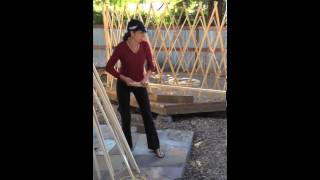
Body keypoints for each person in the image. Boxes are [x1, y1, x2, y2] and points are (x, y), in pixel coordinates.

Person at [105, 19, 165, 158]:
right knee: (125, 116)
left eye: (144, 33)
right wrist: (124, 78)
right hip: (124, 84)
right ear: (132, 33)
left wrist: (146, 77)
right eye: (140, 33)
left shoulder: (144, 45)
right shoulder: (121, 47)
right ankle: (128, 147)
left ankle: (155, 147)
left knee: (147, 115)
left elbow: (151, 65)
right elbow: (109, 67)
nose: (143, 35)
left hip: (139, 83)